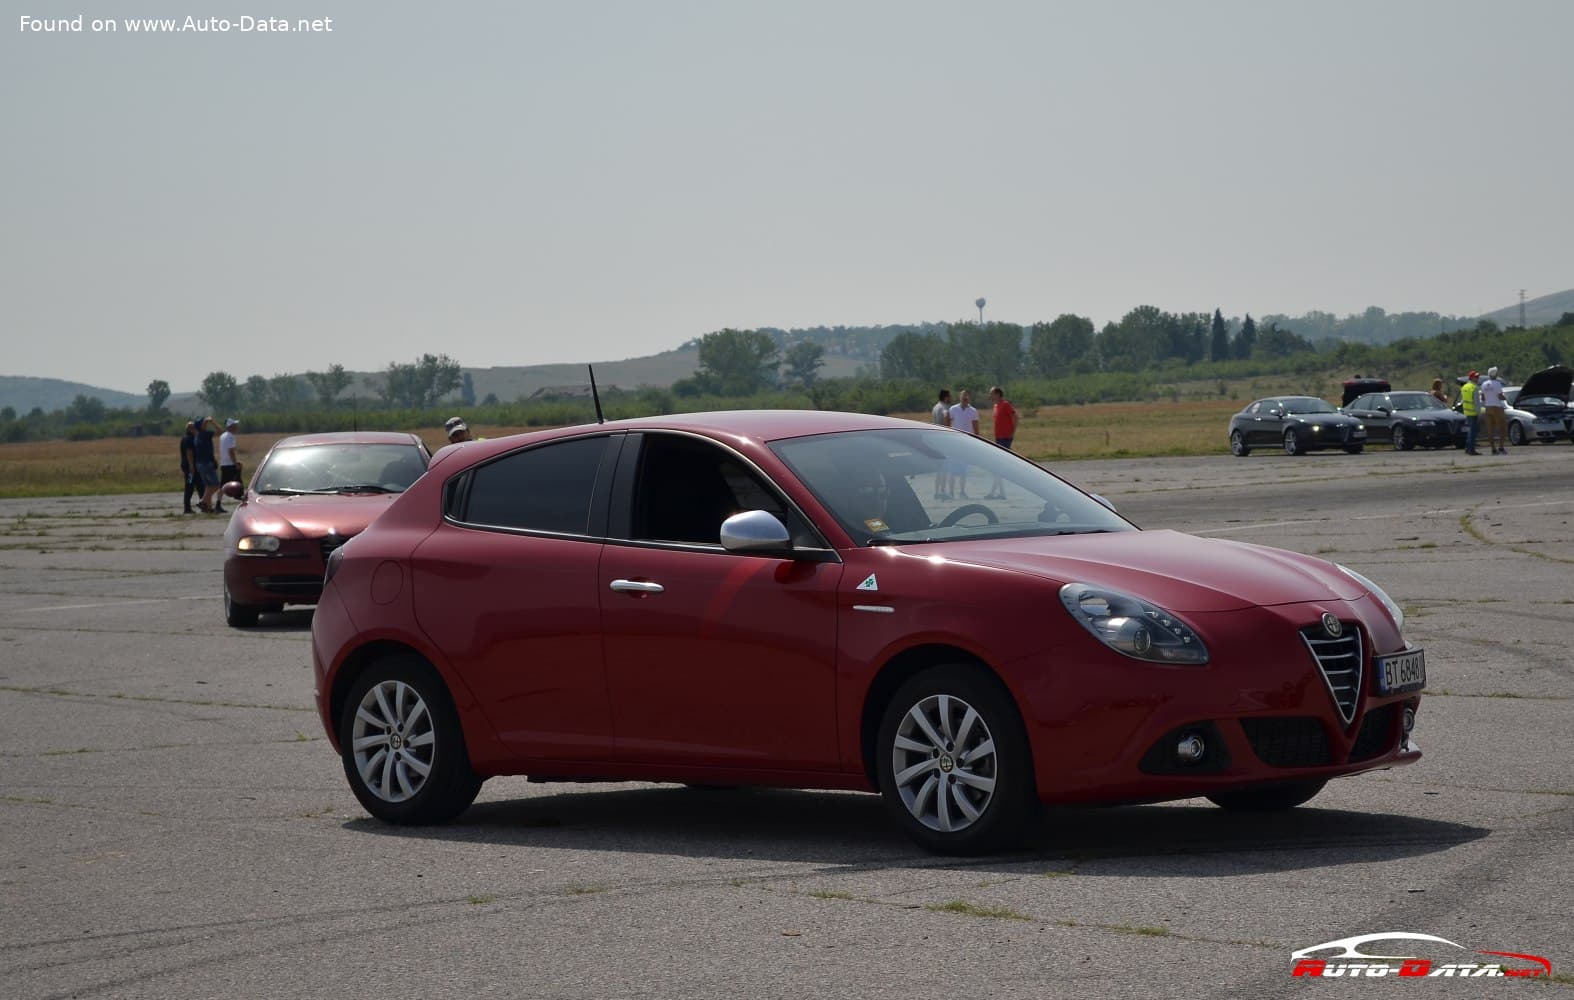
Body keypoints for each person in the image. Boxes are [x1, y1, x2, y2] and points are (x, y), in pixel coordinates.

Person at [947, 389, 981, 499]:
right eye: (963, 396)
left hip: (967, 443)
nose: (965, 398)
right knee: (952, 468)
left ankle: (962, 491)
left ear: (969, 398)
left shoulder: (973, 411)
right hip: (954, 442)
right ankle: (951, 491)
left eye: (967, 396)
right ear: (959, 397)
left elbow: (976, 427)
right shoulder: (953, 409)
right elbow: (948, 424)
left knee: (963, 468)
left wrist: (977, 441)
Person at [986, 386, 1017, 500]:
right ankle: (999, 492)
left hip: (1005, 438)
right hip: (998, 438)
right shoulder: (995, 406)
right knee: (998, 466)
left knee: (999, 466)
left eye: (992, 393)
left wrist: (1012, 433)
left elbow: (1015, 417)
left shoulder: (1005, 405)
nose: (990, 396)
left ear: (998, 394)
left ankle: (997, 492)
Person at [193, 416, 223, 513]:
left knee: (208, 486)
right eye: (204, 423)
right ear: (201, 426)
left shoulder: (197, 435)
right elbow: (220, 431)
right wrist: (212, 422)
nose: (205, 424)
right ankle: (202, 501)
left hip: (199, 464)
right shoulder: (205, 434)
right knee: (216, 485)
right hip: (207, 463)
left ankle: (209, 508)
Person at [1479, 366, 1508, 455]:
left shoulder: (1483, 384)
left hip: (1488, 407)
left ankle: (1493, 449)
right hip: (1497, 407)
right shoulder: (1497, 384)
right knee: (1502, 428)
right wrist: (1504, 397)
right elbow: (1500, 396)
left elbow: (1483, 397)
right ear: (1495, 374)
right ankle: (1501, 447)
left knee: (1490, 429)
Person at [929, 390, 952, 498]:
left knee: (938, 468)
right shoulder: (945, 408)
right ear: (945, 397)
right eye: (949, 396)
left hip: (934, 439)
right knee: (944, 467)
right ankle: (943, 491)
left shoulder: (935, 407)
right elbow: (946, 418)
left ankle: (937, 491)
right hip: (943, 439)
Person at [179, 421, 199, 514]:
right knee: (189, 486)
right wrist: (191, 466)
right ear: (190, 429)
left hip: (189, 466)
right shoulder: (189, 439)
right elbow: (189, 452)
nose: (196, 430)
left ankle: (203, 504)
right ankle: (187, 508)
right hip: (189, 468)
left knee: (199, 485)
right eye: (194, 428)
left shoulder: (186, 438)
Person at [218, 418, 243, 489]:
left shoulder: (222, 436)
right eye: (234, 425)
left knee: (223, 483)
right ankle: (240, 496)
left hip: (223, 464)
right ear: (230, 426)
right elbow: (231, 451)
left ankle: (219, 499)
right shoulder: (231, 436)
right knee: (238, 482)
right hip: (230, 464)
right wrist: (235, 463)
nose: (236, 427)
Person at [1460, 371, 1481, 455]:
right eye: (1476, 377)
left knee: (1470, 431)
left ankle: (1467, 448)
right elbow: (1477, 402)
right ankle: (1471, 449)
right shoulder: (1474, 388)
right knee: (1472, 432)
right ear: (1471, 378)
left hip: (1467, 412)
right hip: (1473, 412)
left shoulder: (1464, 387)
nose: (1477, 379)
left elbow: (1462, 400)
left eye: (1477, 377)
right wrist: (1478, 412)